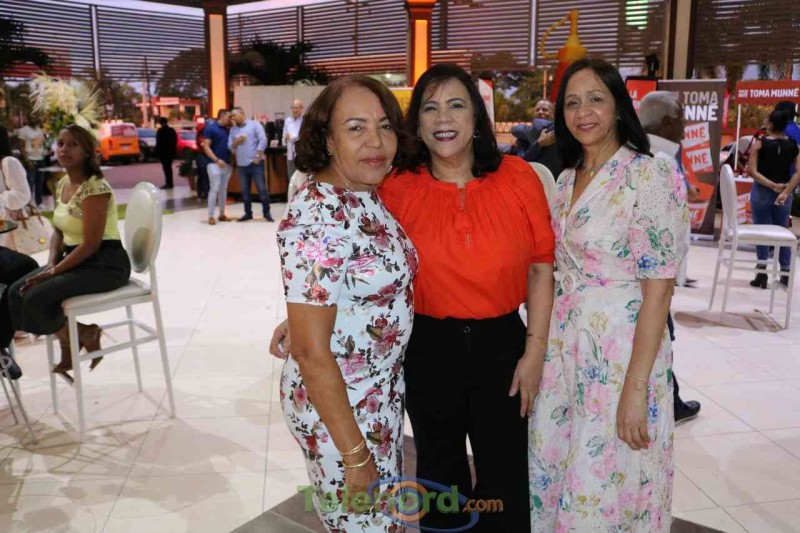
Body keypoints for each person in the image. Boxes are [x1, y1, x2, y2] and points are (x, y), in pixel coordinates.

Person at [273, 64, 556, 532]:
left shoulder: (517, 176)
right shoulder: (393, 184)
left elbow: (541, 266)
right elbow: (329, 264)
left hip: (500, 347)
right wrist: (305, 324)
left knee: (505, 474)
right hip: (426, 349)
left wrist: (535, 350)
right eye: (430, 108)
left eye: (456, 105)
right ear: (417, 124)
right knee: (439, 478)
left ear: (477, 115)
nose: (443, 118)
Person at [528, 58, 688, 532]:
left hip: (620, 358)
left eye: (596, 99)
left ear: (619, 106)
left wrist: (636, 388)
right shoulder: (565, 180)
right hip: (565, 353)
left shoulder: (649, 176)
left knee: (607, 479)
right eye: (572, 102)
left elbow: (659, 291)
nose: (583, 112)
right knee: (560, 468)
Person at [277, 76, 416, 532]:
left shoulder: (360, 194)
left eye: (384, 126)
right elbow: (310, 351)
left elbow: (342, 282)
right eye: (356, 128)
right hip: (342, 411)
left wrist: (309, 315)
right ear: (327, 140)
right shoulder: (319, 214)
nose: (376, 141)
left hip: (374, 396)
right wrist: (355, 456)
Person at [8, 125, 131, 378]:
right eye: (61, 143)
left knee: (35, 298)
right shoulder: (63, 182)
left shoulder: (95, 188)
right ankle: (81, 333)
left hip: (105, 264)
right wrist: (51, 263)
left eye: (73, 144)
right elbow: (58, 231)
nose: (64, 149)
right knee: (14, 293)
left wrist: (54, 272)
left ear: (87, 152)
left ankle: (73, 339)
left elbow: (91, 244)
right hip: (76, 259)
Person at [639, 90, 702, 424]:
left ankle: (671, 400)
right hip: (651, 280)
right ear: (666, 123)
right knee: (661, 335)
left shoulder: (650, 154)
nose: (685, 127)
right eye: (681, 119)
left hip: (654, 278)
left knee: (663, 334)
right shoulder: (657, 162)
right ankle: (669, 404)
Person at [1, 125, 39, 379]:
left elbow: (22, 195)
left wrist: (2, 198)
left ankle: (17, 326)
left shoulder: (8, 162)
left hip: (9, 228)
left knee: (23, 270)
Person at [747, 109, 800, 288]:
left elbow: (751, 170)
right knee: (783, 232)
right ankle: (785, 272)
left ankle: (761, 272)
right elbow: (798, 172)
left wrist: (770, 185)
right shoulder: (793, 145)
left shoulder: (759, 144)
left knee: (762, 231)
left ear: (770, 124)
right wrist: (785, 191)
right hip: (784, 192)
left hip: (762, 191)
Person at [229, 107, 272, 222]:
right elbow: (230, 147)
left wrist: (258, 156)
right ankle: (248, 213)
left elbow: (263, 140)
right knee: (245, 191)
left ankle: (267, 212)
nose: (233, 118)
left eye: (234, 115)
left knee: (261, 189)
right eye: (231, 116)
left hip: (255, 163)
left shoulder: (254, 125)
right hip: (241, 165)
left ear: (242, 114)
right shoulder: (233, 130)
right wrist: (236, 142)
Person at [511, 99, 564, 178]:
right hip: (535, 178)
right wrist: (538, 144)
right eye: (537, 110)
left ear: (553, 114)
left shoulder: (559, 130)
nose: (540, 112)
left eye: (545, 110)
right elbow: (523, 161)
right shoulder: (523, 137)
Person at [201, 109, 232, 225]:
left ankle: (222, 213)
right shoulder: (211, 128)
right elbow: (206, 146)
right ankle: (210, 215)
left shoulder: (228, 129)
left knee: (223, 189)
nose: (230, 119)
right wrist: (216, 160)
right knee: (214, 188)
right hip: (214, 164)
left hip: (227, 163)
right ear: (222, 116)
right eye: (228, 117)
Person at [14, 117, 47, 208]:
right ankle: (28, 204)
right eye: (32, 117)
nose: (35, 119)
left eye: (36, 117)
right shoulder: (23, 130)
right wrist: (27, 160)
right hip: (30, 159)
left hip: (40, 158)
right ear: (28, 119)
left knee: (40, 182)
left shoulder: (40, 130)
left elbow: (42, 144)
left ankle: (39, 202)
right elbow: (21, 146)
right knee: (29, 182)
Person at [283, 98, 304, 178]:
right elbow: (284, 137)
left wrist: (292, 136)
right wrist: (285, 138)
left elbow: (305, 136)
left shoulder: (305, 120)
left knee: (302, 180)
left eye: (297, 108)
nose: (295, 110)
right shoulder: (287, 121)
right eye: (293, 108)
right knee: (291, 179)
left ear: (302, 108)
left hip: (302, 156)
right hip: (290, 156)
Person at [155, 117, 178, 190]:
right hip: (170, 152)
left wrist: (157, 152)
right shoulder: (171, 130)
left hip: (163, 153)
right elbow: (175, 140)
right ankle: (170, 182)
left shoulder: (160, 131)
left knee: (166, 168)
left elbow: (158, 143)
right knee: (169, 168)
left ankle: (168, 183)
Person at [195, 118, 210, 200]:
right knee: (204, 175)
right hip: (204, 156)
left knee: (201, 175)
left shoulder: (200, 131)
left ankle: (201, 193)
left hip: (201, 156)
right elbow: (203, 145)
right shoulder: (204, 133)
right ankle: (205, 192)